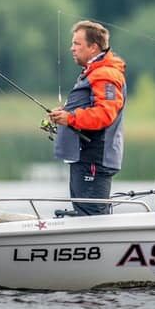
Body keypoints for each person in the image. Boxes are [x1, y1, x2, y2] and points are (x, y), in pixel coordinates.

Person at [49, 20, 126, 215]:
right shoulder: (94, 72)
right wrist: (65, 113)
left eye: (77, 43)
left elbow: (105, 114)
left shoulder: (105, 75)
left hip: (95, 158)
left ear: (93, 47)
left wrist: (71, 118)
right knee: (86, 214)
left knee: (91, 216)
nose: (72, 48)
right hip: (86, 158)